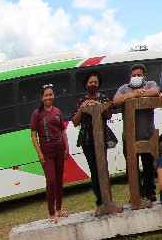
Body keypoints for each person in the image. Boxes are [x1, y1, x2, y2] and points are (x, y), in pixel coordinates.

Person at [113, 63, 162, 202]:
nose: (136, 77)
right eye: (134, 75)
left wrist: (140, 94)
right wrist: (132, 94)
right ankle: (136, 194)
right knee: (132, 168)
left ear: (144, 76)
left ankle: (150, 192)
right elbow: (116, 101)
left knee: (149, 166)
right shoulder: (124, 88)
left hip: (148, 136)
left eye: (139, 75)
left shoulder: (149, 84)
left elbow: (157, 91)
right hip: (129, 138)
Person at [71, 70, 113, 210]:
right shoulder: (81, 101)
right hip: (87, 139)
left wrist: (98, 105)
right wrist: (82, 109)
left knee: (103, 167)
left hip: (101, 137)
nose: (93, 84)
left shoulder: (103, 98)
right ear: (85, 84)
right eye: (91, 82)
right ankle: (100, 201)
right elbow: (75, 122)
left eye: (96, 82)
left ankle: (108, 198)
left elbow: (108, 116)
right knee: (94, 170)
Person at [30, 84, 69, 223]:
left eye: (51, 94)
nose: (49, 97)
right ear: (42, 97)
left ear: (54, 95)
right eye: (46, 95)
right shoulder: (37, 114)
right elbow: (33, 135)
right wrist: (39, 154)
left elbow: (62, 130)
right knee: (51, 181)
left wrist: (66, 147)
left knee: (59, 180)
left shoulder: (57, 111)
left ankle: (59, 209)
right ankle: (51, 213)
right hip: (46, 152)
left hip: (59, 150)